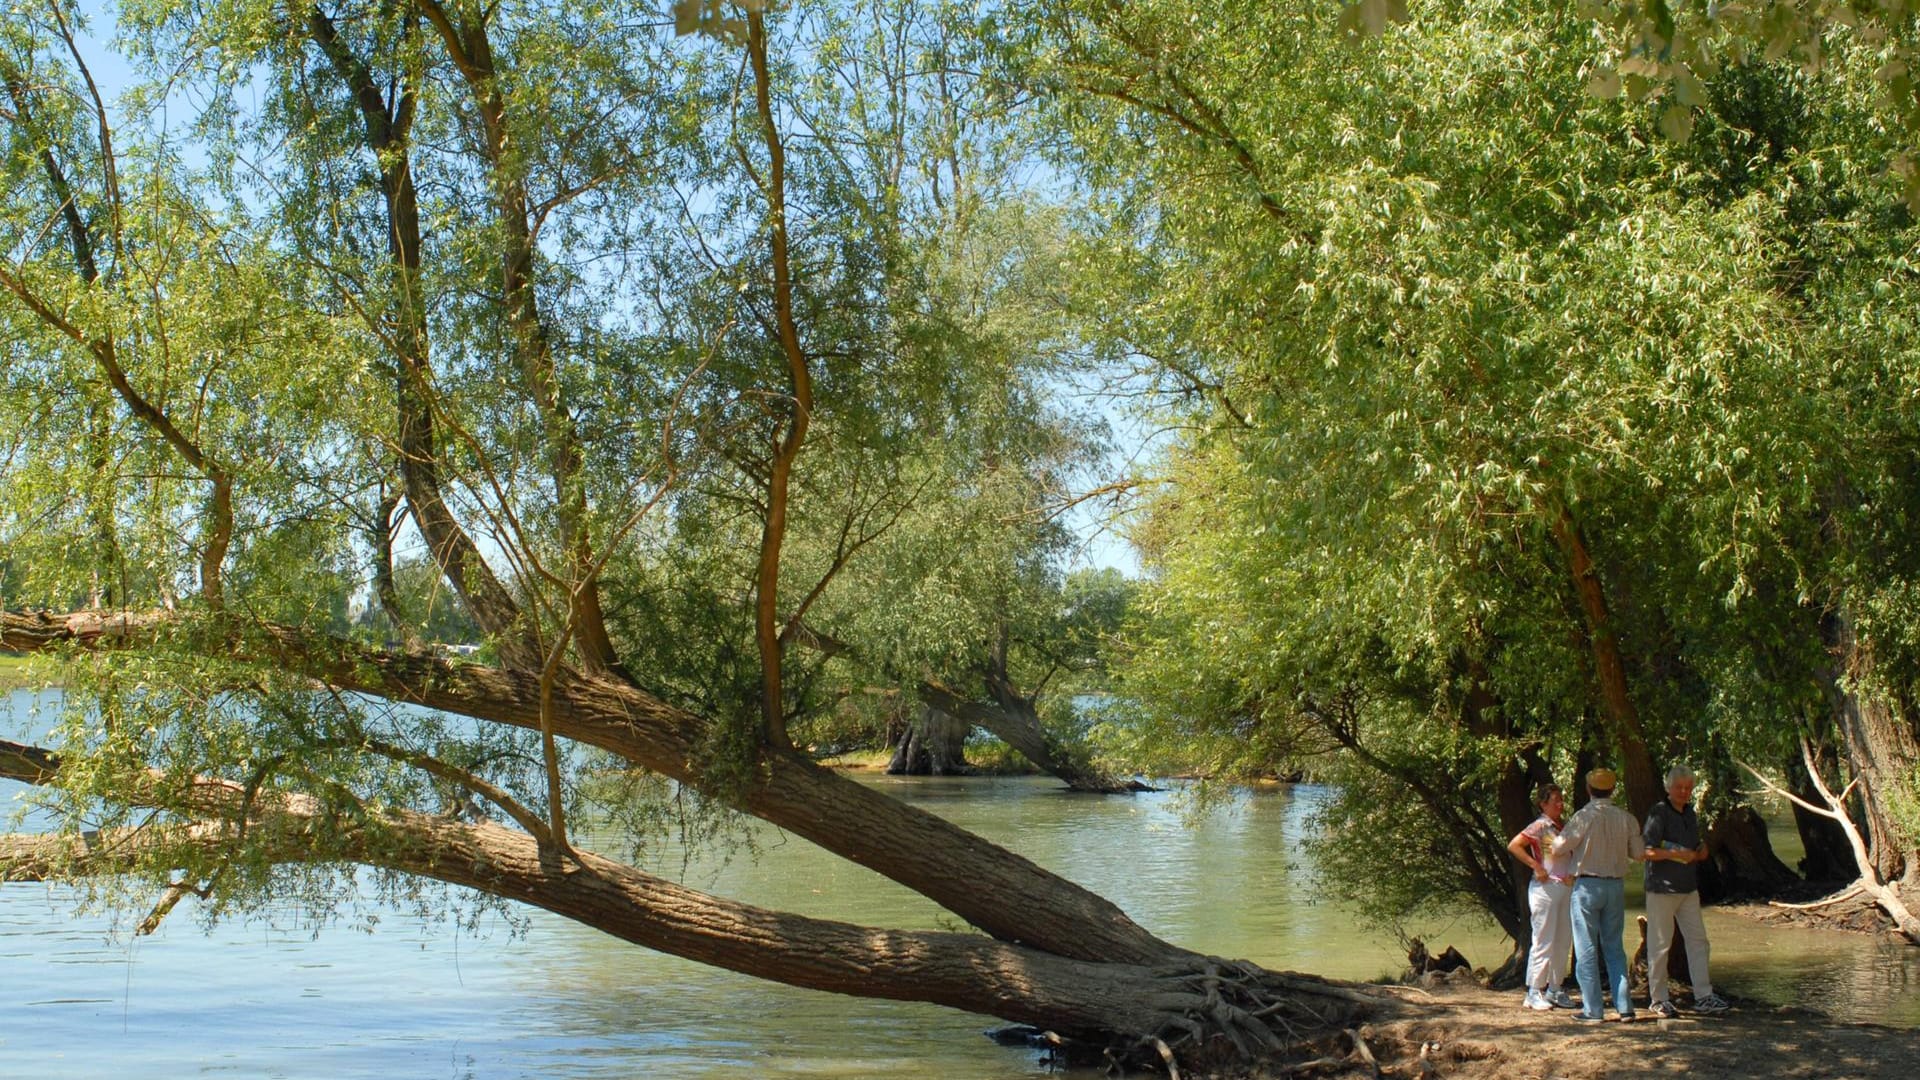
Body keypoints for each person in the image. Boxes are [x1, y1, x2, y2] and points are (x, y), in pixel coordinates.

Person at [1553, 767, 1645, 1022]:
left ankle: (1593, 1010)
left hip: (1587, 886)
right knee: (1615, 948)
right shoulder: (1627, 818)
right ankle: (1625, 1007)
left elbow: (1560, 847)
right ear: (1613, 789)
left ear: (1589, 790)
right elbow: (1638, 854)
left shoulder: (1583, 817)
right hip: (1615, 886)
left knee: (1586, 947)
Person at [1643, 764, 1732, 1017]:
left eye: (1687, 788)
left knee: (1699, 942)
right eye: (1679, 788)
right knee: (1659, 945)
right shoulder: (1658, 813)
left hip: (1688, 888)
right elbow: (1645, 851)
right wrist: (1674, 854)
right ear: (1668, 788)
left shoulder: (1690, 813)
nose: (1683, 792)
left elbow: (1696, 845)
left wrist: (1701, 850)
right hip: (1661, 889)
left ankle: (1704, 996)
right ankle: (1658, 999)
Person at [1507, 783, 1578, 1010]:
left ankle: (1555, 988)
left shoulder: (1564, 826)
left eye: (1561, 799)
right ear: (1543, 803)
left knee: (1563, 939)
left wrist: (1573, 875)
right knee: (1544, 939)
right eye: (1555, 800)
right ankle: (1534, 991)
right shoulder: (1539, 826)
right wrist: (1536, 866)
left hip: (1565, 888)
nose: (1560, 804)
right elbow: (1515, 845)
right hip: (1544, 889)